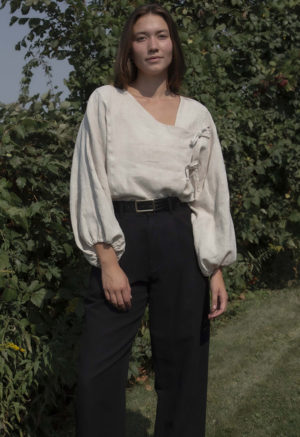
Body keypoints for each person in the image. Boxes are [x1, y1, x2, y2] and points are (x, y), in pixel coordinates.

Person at [69, 3, 236, 437]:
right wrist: (106, 259)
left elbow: (208, 196)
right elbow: (91, 178)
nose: (152, 44)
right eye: (141, 37)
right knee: (96, 371)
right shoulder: (107, 102)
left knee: (184, 366)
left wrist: (213, 266)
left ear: (174, 45)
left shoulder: (197, 114)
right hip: (120, 237)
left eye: (161, 35)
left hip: (179, 236)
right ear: (130, 48)